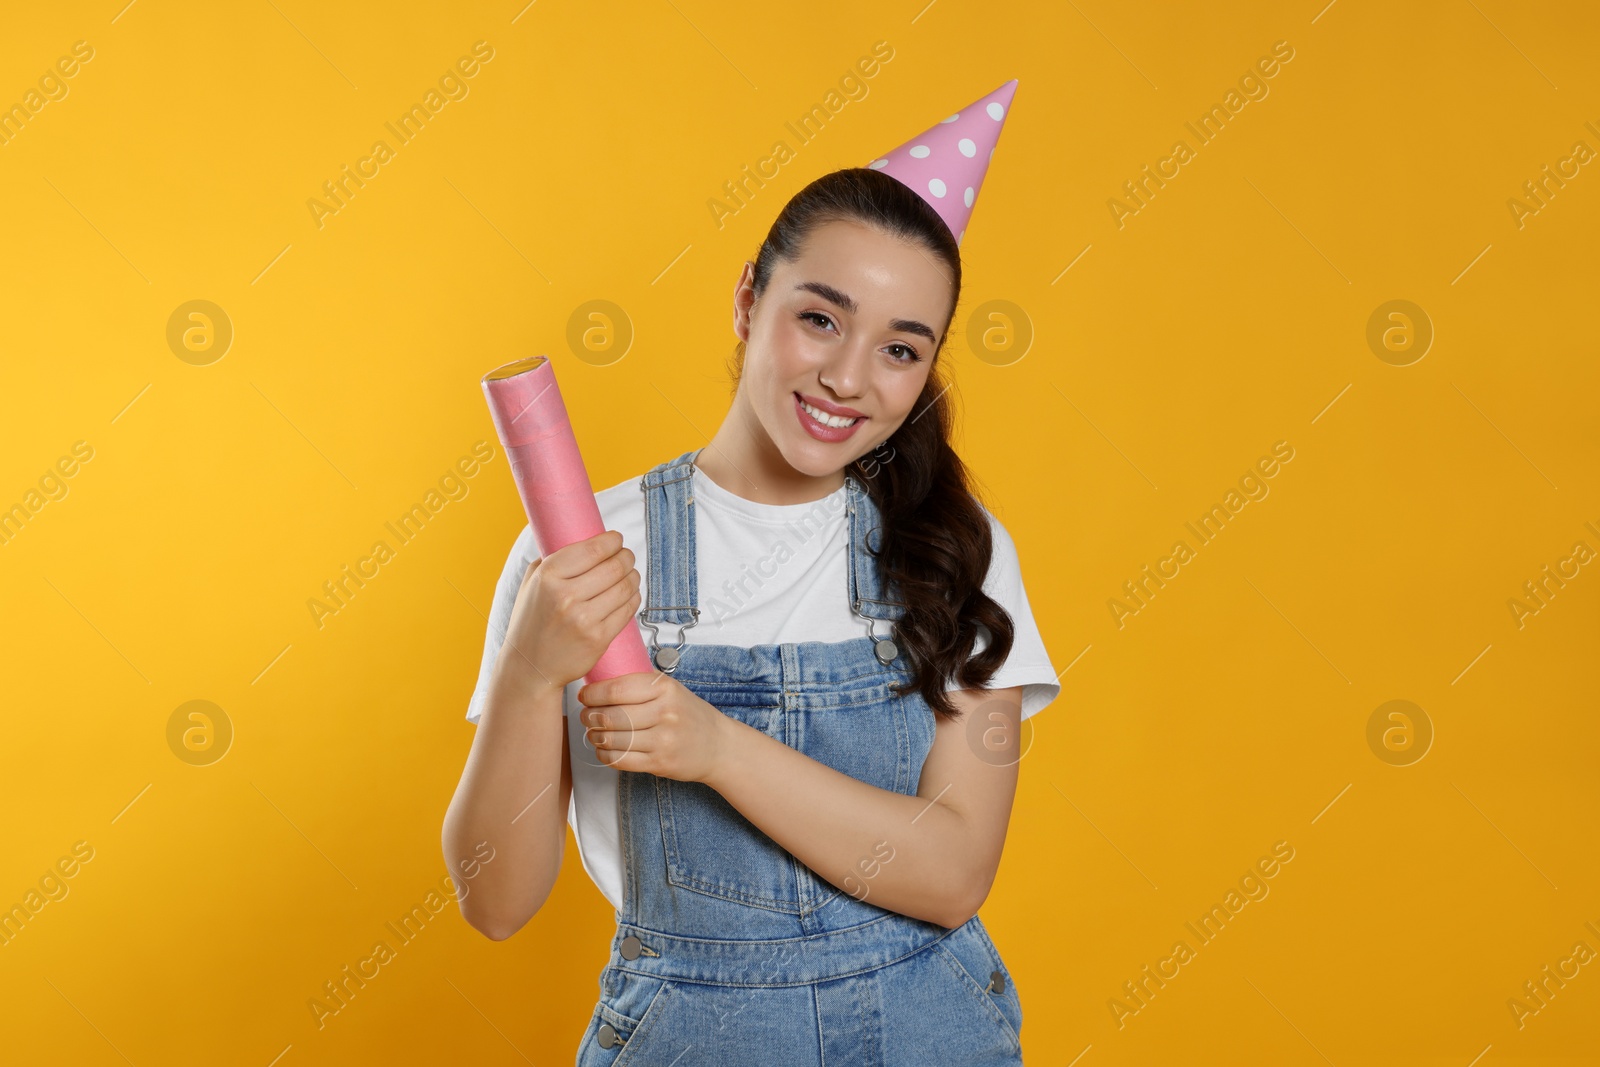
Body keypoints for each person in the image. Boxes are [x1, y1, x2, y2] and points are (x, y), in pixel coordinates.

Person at [443, 80, 1059, 1065]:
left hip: (928, 1034)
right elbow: (495, 900)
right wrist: (528, 669)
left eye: (900, 348)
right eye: (820, 318)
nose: (849, 377)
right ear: (746, 298)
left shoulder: (955, 546)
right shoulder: (585, 548)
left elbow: (950, 873)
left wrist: (713, 745)